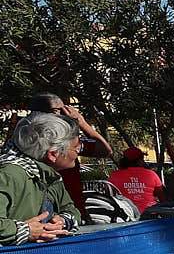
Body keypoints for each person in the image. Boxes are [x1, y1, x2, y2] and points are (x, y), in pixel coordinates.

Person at [0, 112, 83, 244]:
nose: (78, 151)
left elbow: (72, 211)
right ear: (53, 154)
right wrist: (26, 231)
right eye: (76, 148)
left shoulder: (49, 176)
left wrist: (62, 221)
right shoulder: (9, 175)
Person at [23, 92, 112, 213]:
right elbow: (105, 150)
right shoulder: (38, 140)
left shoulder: (66, 141)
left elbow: (104, 150)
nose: (65, 115)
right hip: (45, 211)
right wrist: (80, 122)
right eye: (61, 111)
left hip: (69, 209)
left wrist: (81, 123)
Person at [107, 147, 165, 214]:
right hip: (149, 215)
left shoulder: (115, 175)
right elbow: (162, 197)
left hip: (125, 215)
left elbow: (109, 196)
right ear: (139, 161)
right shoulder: (151, 174)